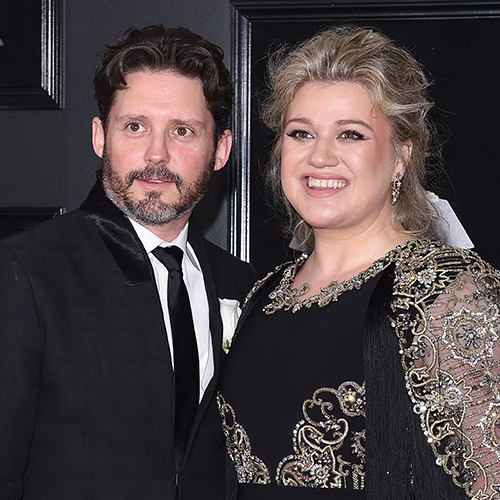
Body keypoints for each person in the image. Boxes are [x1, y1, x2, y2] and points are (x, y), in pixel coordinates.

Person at [218, 26, 500, 499]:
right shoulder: (263, 294)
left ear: (401, 155)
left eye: (350, 134)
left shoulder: (447, 289)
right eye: (301, 133)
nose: (320, 156)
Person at [0, 25, 256, 499]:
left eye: (182, 131)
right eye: (135, 127)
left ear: (220, 150)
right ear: (100, 137)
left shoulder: (244, 286)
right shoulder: (25, 273)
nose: (157, 155)